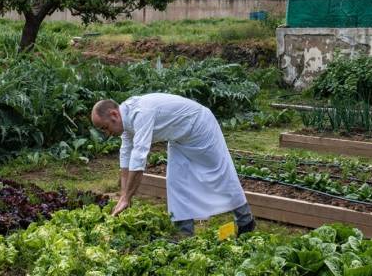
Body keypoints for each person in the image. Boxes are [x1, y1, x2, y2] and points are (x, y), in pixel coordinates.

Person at [90, 92, 255, 236]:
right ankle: (184, 233)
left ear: (114, 115)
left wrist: (127, 198)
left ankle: (245, 221)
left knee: (220, 174)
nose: (107, 134)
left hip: (200, 127)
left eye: (105, 128)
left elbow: (139, 157)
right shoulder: (126, 122)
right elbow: (126, 158)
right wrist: (123, 196)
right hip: (179, 137)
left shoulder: (141, 113)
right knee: (177, 181)